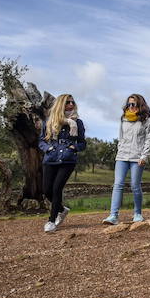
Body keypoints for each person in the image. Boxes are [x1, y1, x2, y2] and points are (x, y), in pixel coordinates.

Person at [102, 94, 150, 225]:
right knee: (118, 184)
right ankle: (113, 215)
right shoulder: (123, 119)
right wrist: (119, 149)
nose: (132, 107)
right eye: (129, 104)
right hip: (122, 156)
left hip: (138, 158)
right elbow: (120, 137)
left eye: (135, 104)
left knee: (135, 186)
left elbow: (149, 140)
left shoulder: (147, 121)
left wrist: (144, 156)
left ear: (141, 105)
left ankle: (137, 214)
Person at [39, 94, 86, 233]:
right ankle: (61, 209)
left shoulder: (78, 123)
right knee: (46, 190)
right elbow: (41, 140)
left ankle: (51, 221)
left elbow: (83, 143)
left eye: (72, 102)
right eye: (67, 102)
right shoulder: (48, 121)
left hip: (68, 159)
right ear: (61, 104)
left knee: (56, 188)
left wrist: (74, 148)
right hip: (51, 158)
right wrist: (48, 148)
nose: (71, 104)